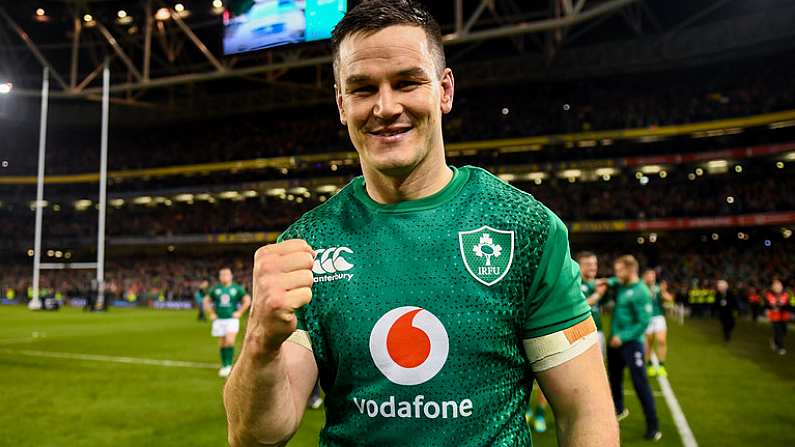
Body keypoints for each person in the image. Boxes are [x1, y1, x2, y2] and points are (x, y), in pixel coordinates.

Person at [223, 2, 618, 446]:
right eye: (362, 89)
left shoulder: (525, 228)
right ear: (340, 103)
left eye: (407, 82)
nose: (385, 107)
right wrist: (259, 341)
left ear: (444, 91)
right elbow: (257, 435)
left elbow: (586, 413)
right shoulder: (307, 244)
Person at [607, 256, 661, 441]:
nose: (616, 273)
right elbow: (612, 280)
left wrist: (622, 337)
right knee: (614, 379)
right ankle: (620, 409)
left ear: (630, 271)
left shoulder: (641, 292)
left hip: (631, 344)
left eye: (619, 270)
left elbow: (643, 322)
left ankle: (653, 426)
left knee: (640, 384)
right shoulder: (622, 285)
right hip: (615, 343)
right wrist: (607, 280)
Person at [204, 268, 251, 378]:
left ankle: (229, 365)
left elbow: (247, 299)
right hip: (219, 320)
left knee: (230, 341)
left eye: (227, 274)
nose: (224, 276)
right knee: (222, 343)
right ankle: (224, 365)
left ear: (231, 276)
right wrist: (211, 313)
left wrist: (239, 312)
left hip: (231, 319)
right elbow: (206, 300)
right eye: (222, 274)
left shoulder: (236, 288)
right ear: (220, 277)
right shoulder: (216, 289)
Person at [577, 251, 609, 357]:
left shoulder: (594, 284)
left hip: (598, 330)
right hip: (582, 334)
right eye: (588, 265)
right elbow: (580, 307)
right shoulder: (576, 284)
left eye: (595, 264)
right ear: (579, 266)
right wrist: (598, 295)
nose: (593, 268)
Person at [642, 269, 673, 378]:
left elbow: (670, 299)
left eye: (653, 275)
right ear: (644, 276)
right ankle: (650, 364)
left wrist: (664, 292)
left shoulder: (658, 287)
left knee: (661, 341)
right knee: (649, 342)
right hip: (646, 318)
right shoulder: (640, 287)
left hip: (659, 317)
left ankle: (661, 365)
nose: (651, 277)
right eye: (649, 275)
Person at [765, 279, 789, 355]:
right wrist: (768, 309)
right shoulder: (769, 294)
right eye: (775, 286)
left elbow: (792, 302)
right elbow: (767, 303)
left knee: (784, 331)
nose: (777, 287)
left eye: (778, 286)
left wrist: (789, 306)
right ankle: (781, 348)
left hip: (784, 316)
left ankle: (774, 341)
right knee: (778, 332)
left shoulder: (787, 294)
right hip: (774, 316)